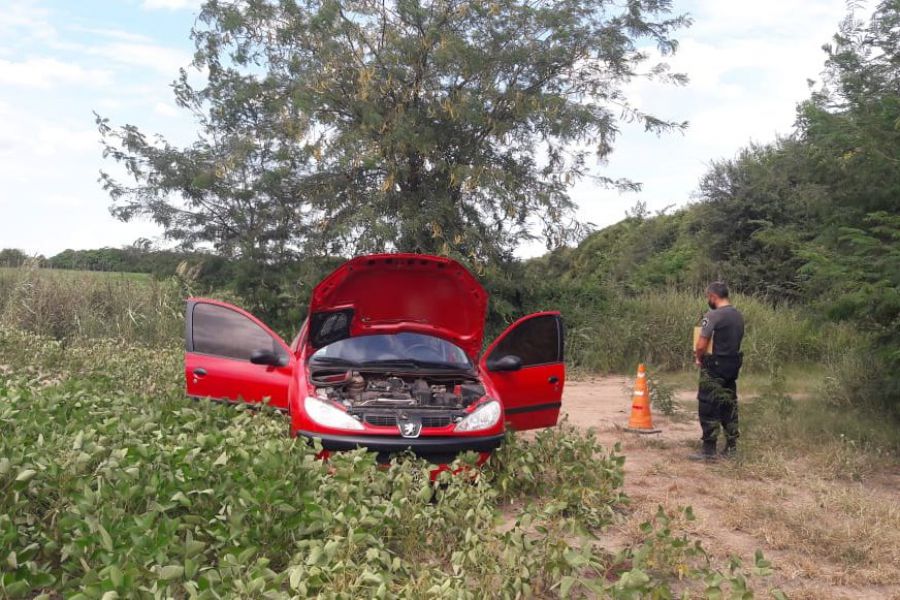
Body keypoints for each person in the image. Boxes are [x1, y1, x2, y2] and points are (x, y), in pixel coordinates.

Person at [690, 281, 744, 460]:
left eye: (708, 297)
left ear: (713, 296)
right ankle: (731, 448)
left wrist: (698, 357)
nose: (708, 300)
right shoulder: (738, 316)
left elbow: (702, 343)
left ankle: (709, 450)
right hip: (733, 364)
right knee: (729, 403)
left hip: (714, 365)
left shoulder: (713, 315)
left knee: (708, 404)